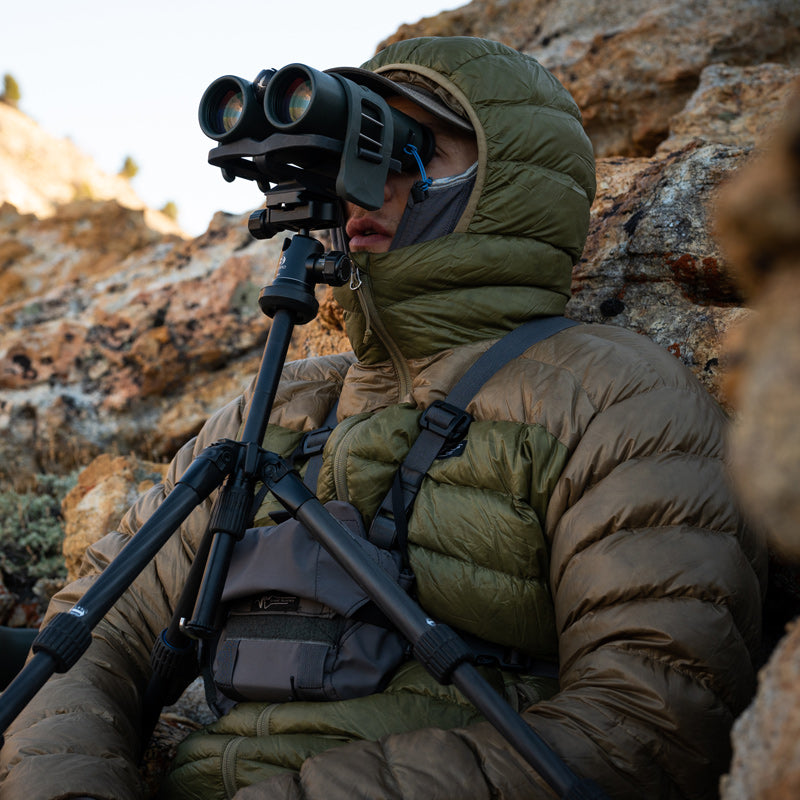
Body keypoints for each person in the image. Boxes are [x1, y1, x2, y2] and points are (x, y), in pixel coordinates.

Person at [0, 36, 765, 800]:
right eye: (352, 150)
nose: (368, 185)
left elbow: (652, 720)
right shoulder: (274, 407)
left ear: (505, 178)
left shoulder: (613, 398)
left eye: (408, 147)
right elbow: (99, 635)